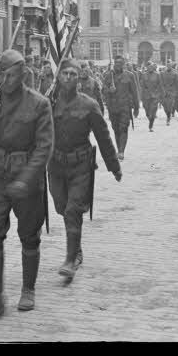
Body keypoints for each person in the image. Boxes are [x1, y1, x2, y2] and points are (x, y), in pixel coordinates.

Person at [0, 49, 53, 322]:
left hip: (27, 180)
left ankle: (28, 289)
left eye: (9, 75)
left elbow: (44, 148)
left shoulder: (39, 104)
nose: (4, 80)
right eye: (1, 74)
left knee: (29, 236)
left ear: (22, 75)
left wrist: (26, 179)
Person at [47, 59, 122, 283]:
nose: (69, 77)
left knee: (73, 210)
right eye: (65, 73)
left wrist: (114, 166)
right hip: (56, 165)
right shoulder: (48, 103)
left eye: (73, 74)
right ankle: (76, 249)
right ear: (58, 76)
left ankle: (70, 260)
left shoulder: (89, 105)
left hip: (81, 166)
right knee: (62, 207)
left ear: (79, 78)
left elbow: (103, 137)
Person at [101, 55, 139, 161]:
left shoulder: (130, 75)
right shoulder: (108, 75)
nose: (118, 65)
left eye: (120, 63)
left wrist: (136, 107)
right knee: (116, 129)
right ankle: (119, 149)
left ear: (123, 64)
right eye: (116, 63)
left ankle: (121, 151)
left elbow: (134, 92)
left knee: (123, 128)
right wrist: (109, 90)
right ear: (114, 63)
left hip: (125, 107)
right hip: (112, 107)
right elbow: (103, 90)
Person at [139, 62, 162, 132]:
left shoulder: (157, 75)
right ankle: (150, 120)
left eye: (151, 67)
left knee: (153, 111)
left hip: (155, 96)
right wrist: (141, 96)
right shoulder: (144, 75)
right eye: (149, 67)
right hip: (146, 96)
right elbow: (142, 86)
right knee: (147, 112)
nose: (150, 68)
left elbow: (160, 85)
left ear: (153, 68)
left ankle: (151, 126)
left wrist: (159, 94)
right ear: (147, 68)